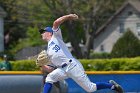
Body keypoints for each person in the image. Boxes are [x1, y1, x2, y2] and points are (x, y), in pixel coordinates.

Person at [38, 14, 123, 93]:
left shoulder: (56, 37)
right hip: (62, 69)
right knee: (49, 78)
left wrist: (68, 16)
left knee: (90, 88)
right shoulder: (48, 51)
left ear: (50, 33)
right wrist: (41, 65)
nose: (42, 33)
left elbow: (56, 23)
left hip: (72, 66)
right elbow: (51, 69)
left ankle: (112, 86)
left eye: (43, 31)